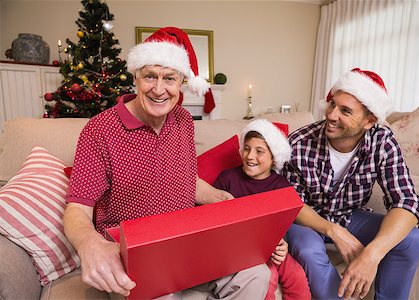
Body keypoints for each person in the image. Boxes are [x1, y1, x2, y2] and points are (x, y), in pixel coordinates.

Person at [63, 27, 270, 299]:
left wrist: (226, 202)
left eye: (169, 78)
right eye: (150, 76)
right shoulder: (100, 130)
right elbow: (77, 208)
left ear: (182, 81)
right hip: (134, 255)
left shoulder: (183, 120)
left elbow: (185, 178)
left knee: (256, 272)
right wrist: (90, 244)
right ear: (136, 76)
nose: (159, 90)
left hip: (185, 242)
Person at [282, 68, 419, 300]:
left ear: (369, 121)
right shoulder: (299, 142)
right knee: (308, 250)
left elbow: (406, 202)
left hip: (349, 216)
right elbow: (291, 203)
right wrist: (334, 231)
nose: (331, 115)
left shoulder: (382, 141)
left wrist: (372, 254)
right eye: (332, 104)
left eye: (345, 111)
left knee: (410, 239)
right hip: (308, 220)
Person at [213, 119, 311, 300]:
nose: (250, 156)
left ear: (274, 157)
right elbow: (212, 219)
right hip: (239, 251)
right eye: (247, 148)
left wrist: (282, 244)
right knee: (268, 278)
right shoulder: (227, 179)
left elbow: (284, 225)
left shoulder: (281, 186)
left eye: (259, 152)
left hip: (272, 247)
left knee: (297, 276)